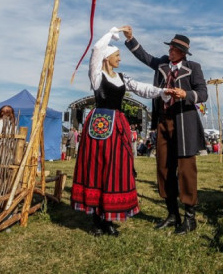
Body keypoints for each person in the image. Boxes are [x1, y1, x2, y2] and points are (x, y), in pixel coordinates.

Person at [71, 27, 172, 237]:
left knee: (115, 167)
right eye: (117, 56)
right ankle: (97, 220)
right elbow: (96, 50)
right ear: (107, 58)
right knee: (97, 167)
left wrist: (162, 91)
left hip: (117, 126)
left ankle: (109, 216)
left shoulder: (123, 78)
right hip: (98, 126)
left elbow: (142, 88)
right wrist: (112, 32)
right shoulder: (96, 76)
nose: (119, 59)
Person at [123, 25, 208, 234]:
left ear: (182, 52)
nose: (170, 50)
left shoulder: (193, 67)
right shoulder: (162, 64)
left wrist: (185, 94)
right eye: (170, 47)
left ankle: (189, 217)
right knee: (163, 168)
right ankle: (172, 214)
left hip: (184, 122)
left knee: (187, 170)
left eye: (173, 48)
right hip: (163, 121)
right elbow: (144, 56)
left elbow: (203, 93)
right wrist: (131, 38)